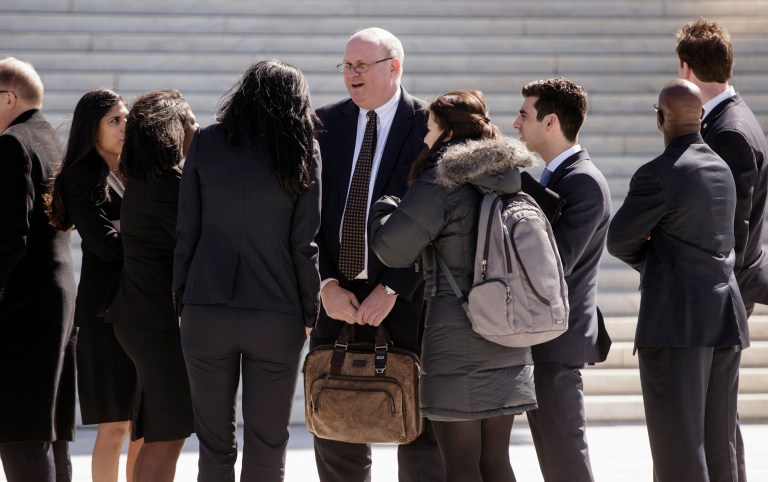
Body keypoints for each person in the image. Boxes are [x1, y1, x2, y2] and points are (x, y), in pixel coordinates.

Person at [369, 90, 537, 482]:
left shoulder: (441, 180)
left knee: (460, 465)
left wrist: (385, 207)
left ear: (446, 133)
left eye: (429, 129)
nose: (424, 139)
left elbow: (391, 249)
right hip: (508, 333)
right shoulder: (509, 179)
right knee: (495, 461)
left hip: (456, 336)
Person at [173, 59, 321, 482]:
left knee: (213, 446)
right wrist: (310, 310)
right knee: (269, 444)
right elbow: (303, 242)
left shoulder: (205, 141)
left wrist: (181, 298)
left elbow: (187, 232)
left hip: (205, 309)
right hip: (276, 314)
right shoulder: (302, 147)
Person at [310, 27, 445, 482]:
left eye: (361, 65)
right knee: (335, 424)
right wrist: (325, 284)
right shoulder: (322, 124)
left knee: (420, 433)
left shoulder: (430, 124)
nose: (351, 74)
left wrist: (393, 286)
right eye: (346, 66)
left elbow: (438, 217)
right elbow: (305, 215)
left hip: (405, 299)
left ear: (394, 67)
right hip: (336, 300)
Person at [607, 79, 749, 482]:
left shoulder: (659, 174)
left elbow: (618, 239)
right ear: (701, 117)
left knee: (678, 450)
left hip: (677, 322)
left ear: (660, 118)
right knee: (719, 444)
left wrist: (654, 257)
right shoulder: (722, 168)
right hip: (724, 315)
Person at [676, 20, 768, 479]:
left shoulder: (728, 130)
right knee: (719, 419)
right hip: (726, 283)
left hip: (721, 286)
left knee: (714, 418)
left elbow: (732, 223)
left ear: (685, 69)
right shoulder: (732, 118)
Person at [511, 77, 611, 482]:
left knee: (564, 456)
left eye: (524, 115)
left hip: (559, 341)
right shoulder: (559, 175)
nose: (515, 124)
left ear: (550, 122)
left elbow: (558, 262)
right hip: (545, 338)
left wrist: (517, 185)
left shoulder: (582, 180)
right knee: (555, 456)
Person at [46, 88, 142, 482]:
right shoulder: (80, 176)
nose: (124, 127)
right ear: (93, 128)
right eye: (114, 120)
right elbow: (104, 246)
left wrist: (127, 229)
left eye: (125, 118)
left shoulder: (139, 166)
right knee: (116, 425)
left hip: (148, 307)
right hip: (104, 312)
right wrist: (144, 233)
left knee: (145, 427)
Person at [108, 89, 197, 482]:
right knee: (167, 437)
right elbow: (199, 238)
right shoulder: (167, 183)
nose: (197, 128)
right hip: (155, 325)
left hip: (143, 321)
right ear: (172, 131)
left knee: (157, 435)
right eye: (190, 122)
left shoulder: (149, 179)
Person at [0, 57, 77, 482]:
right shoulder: (52, 140)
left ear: (9, 97)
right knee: (52, 431)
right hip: (59, 294)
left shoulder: (13, 143)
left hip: (25, 304)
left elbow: (8, 239)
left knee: (20, 431)